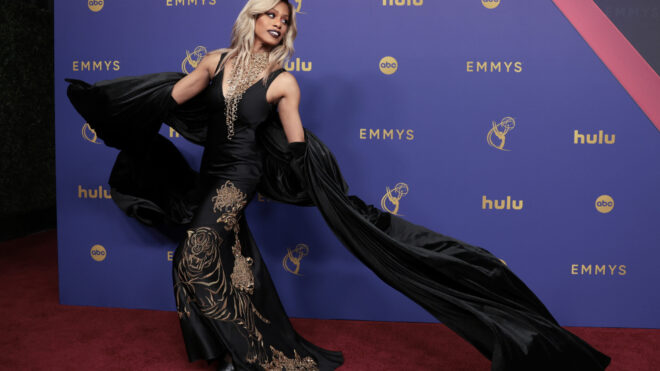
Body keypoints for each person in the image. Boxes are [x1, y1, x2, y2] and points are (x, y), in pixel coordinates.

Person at [66, 0, 612, 370]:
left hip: (240, 178)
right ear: (251, 16)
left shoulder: (283, 82)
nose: (279, 23)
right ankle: (245, 349)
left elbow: (297, 145)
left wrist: (318, 189)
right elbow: (170, 99)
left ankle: (245, 356)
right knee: (235, 264)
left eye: (285, 19)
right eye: (271, 14)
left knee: (195, 255)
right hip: (209, 173)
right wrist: (120, 111)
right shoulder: (214, 62)